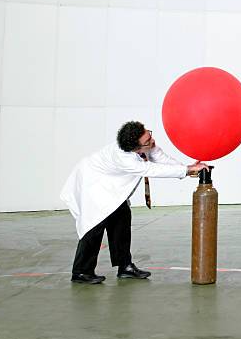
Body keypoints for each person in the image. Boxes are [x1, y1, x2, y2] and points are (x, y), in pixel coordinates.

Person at [60, 121, 209, 284]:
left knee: (122, 218)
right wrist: (187, 170)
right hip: (92, 185)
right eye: (147, 141)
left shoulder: (143, 144)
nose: (151, 141)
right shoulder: (123, 158)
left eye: (149, 134)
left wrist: (186, 168)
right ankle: (81, 272)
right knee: (94, 226)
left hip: (111, 188)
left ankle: (125, 266)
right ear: (136, 148)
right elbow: (151, 169)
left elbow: (159, 157)